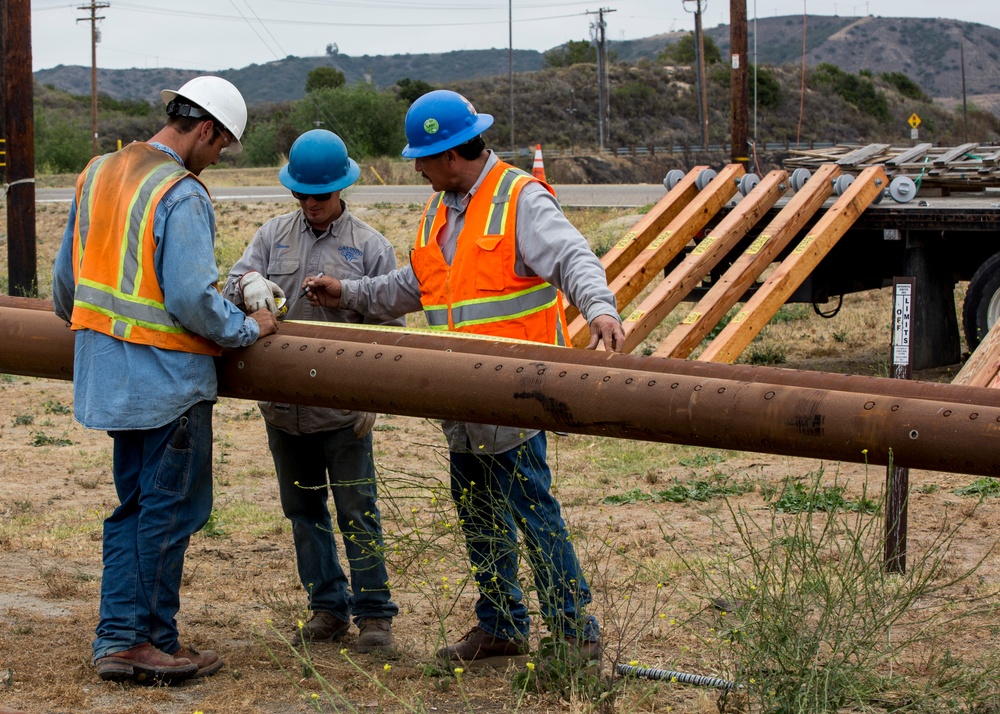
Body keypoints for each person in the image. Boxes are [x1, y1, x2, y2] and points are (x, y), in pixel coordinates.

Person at [302, 90, 625, 669]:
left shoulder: (519, 198)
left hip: (516, 395)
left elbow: (573, 256)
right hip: (459, 396)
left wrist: (599, 307)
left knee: (533, 512)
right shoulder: (439, 210)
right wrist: (347, 292)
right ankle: (501, 625)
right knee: (479, 515)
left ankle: (575, 631)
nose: (416, 168)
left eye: (421, 158)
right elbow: (414, 286)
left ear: (451, 154)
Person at [51, 76, 279, 686]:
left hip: (111, 380)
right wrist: (248, 328)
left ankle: (131, 636)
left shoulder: (99, 172)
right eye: (222, 145)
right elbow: (190, 297)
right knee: (168, 512)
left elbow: (64, 287)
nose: (219, 157)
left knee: (136, 508)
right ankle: (136, 642)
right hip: (167, 383)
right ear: (205, 129)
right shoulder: (181, 192)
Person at [222, 129, 400, 652]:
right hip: (283, 408)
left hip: (342, 412)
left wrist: (373, 398)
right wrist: (248, 285)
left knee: (357, 511)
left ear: (341, 188)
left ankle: (374, 615)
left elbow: (390, 330)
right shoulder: (272, 236)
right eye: (302, 195)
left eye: (319, 196)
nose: (310, 204)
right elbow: (232, 284)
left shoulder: (371, 247)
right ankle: (327, 607)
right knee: (304, 511)